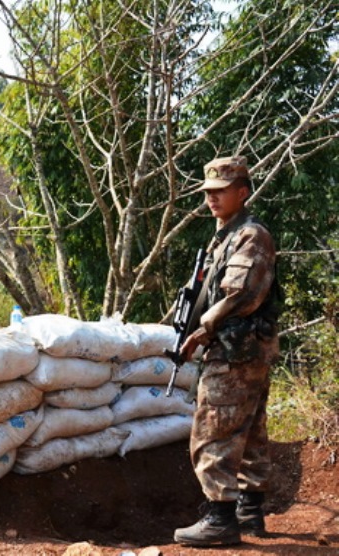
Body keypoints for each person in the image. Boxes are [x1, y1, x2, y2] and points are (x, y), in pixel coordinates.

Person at [172, 156, 281, 547]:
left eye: (221, 192)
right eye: (208, 193)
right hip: (240, 347)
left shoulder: (251, 235)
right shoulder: (223, 239)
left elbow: (243, 295)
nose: (212, 199)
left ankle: (220, 519)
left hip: (238, 347)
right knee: (249, 430)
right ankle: (249, 513)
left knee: (212, 431)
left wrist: (202, 331)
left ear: (242, 192)